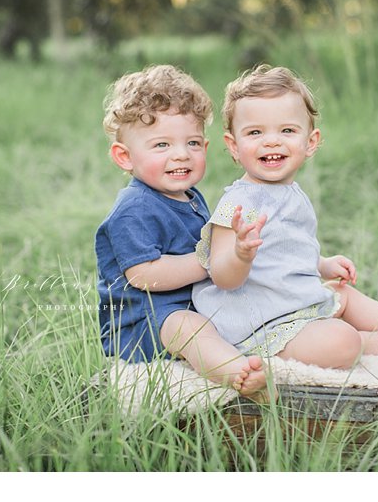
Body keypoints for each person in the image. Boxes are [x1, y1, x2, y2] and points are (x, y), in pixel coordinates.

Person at [192, 64, 378, 369]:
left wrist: (322, 264)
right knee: (342, 341)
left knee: (342, 293)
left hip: (292, 303)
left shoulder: (293, 194)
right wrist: (240, 255)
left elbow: (284, 250)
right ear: (233, 146)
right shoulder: (237, 203)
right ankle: (359, 341)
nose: (272, 141)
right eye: (255, 132)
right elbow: (221, 276)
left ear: (310, 142)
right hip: (260, 323)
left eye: (287, 131)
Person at [95, 64, 270, 399]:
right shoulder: (134, 209)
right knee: (191, 328)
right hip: (143, 322)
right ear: (124, 157)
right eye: (161, 145)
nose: (181, 155)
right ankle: (239, 375)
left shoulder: (189, 196)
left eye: (192, 143)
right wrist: (209, 260)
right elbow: (144, 275)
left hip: (191, 301)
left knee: (246, 305)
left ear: (205, 147)